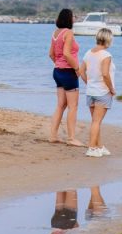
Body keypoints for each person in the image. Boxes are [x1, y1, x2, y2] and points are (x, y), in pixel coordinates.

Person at [48, 8, 84, 146]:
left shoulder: (55, 33)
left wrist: (59, 64)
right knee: (73, 106)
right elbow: (67, 54)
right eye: (73, 16)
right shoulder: (68, 33)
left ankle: (53, 136)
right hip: (68, 72)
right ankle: (71, 138)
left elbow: (51, 54)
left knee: (60, 105)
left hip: (57, 72)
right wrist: (77, 69)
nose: (74, 18)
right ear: (69, 18)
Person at [81, 27, 115, 157]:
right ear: (108, 40)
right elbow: (105, 74)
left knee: (96, 121)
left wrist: (89, 83)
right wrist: (111, 89)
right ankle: (92, 148)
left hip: (91, 92)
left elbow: (81, 71)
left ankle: (99, 146)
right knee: (96, 122)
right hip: (102, 92)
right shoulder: (106, 55)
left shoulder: (88, 53)